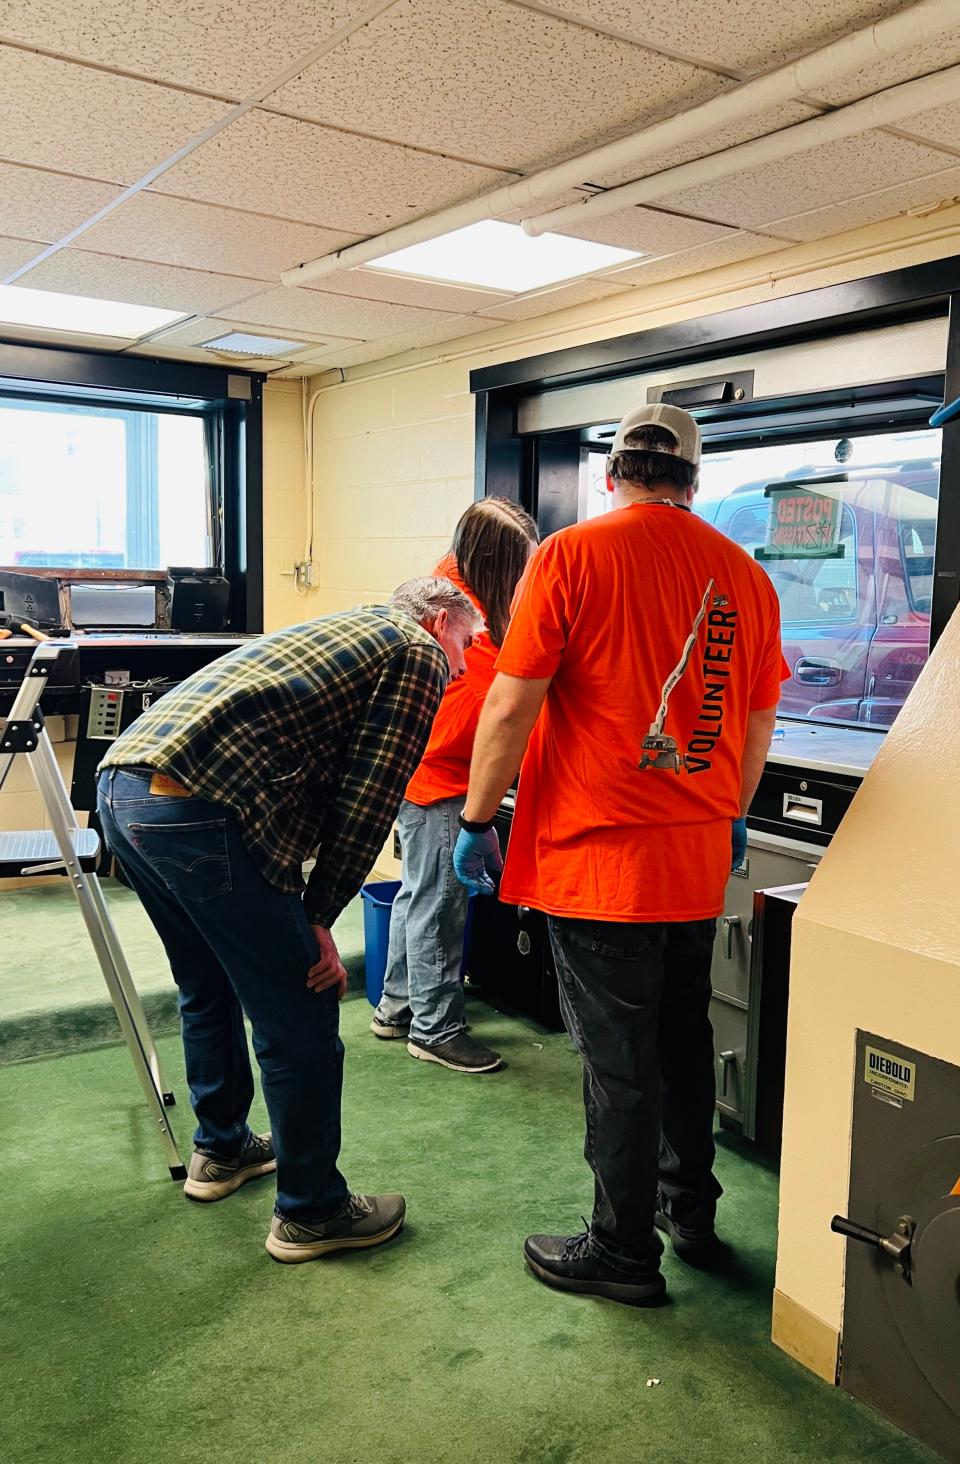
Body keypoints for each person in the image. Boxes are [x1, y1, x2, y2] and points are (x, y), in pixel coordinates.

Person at [454, 404, 788, 1306]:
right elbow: (756, 725)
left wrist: (478, 816)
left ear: (612, 473)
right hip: (693, 865)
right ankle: (691, 1212)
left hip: (598, 864)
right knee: (682, 1043)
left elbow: (512, 705)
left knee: (618, 1063)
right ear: (694, 480)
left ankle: (621, 1250)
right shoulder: (747, 579)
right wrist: (730, 814)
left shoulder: (570, 556)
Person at [96, 577, 481, 1264]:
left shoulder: (352, 627)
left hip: (123, 784)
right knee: (300, 1008)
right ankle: (312, 1211)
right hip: (196, 806)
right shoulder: (416, 653)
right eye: (468, 645)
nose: (464, 664)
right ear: (442, 621)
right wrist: (319, 920)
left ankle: (222, 1149)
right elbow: (370, 799)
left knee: (207, 982)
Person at [371, 499, 539, 1074]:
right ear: (492, 561)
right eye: (517, 565)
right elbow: (454, 719)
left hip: (431, 777)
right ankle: (436, 1028)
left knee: (418, 895)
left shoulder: (468, 594)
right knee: (440, 906)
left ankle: (396, 1007)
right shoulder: (449, 614)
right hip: (443, 779)